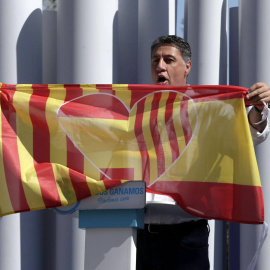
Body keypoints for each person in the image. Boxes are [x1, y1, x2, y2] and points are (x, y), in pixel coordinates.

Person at [136, 35, 270, 270]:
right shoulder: (136, 113)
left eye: (168, 60)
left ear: (187, 67)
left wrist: (259, 109)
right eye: (155, 60)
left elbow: (248, 132)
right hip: (137, 237)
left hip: (186, 237)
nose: (160, 66)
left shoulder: (207, 109)